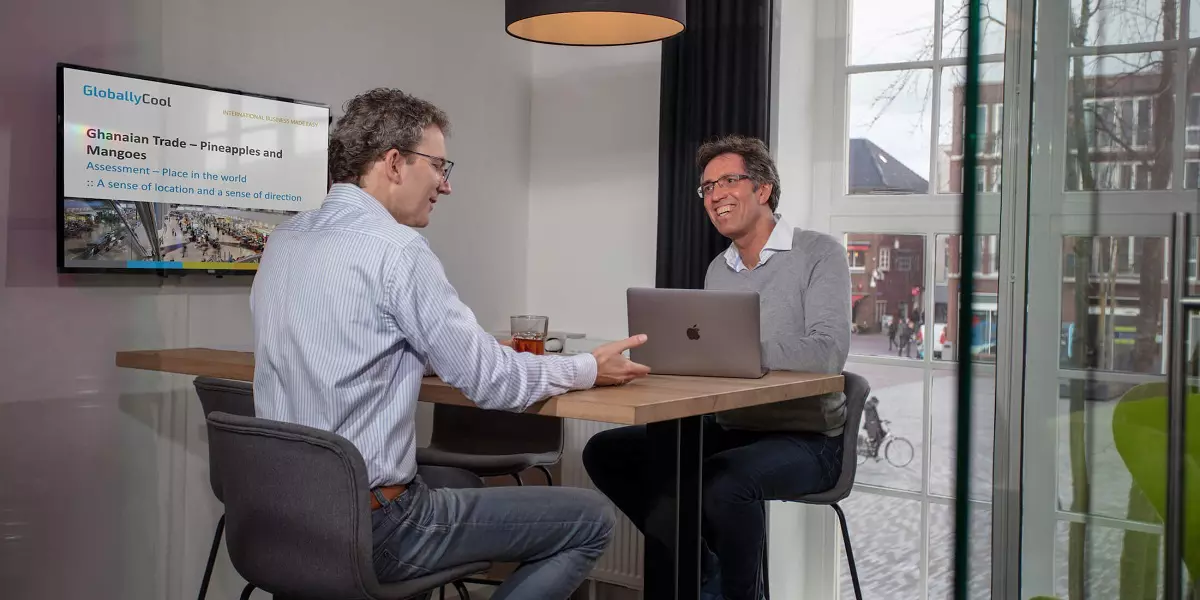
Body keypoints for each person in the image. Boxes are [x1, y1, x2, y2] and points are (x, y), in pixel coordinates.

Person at [250, 88, 653, 600]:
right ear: (394, 163)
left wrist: (447, 351)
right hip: (375, 528)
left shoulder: (285, 240)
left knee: (450, 478)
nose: (446, 184)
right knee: (590, 519)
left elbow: (345, 345)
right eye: (438, 166)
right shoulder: (398, 251)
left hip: (282, 516)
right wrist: (587, 368)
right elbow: (493, 383)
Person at [583, 135, 850, 600]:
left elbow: (828, 351)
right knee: (606, 451)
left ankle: (737, 594)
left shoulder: (819, 253)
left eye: (728, 181)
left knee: (724, 483)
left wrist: (743, 351)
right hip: (732, 426)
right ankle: (702, 570)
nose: (714, 195)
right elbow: (714, 360)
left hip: (808, 437)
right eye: (707, 187)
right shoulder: (718, 269)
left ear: (763, 189)